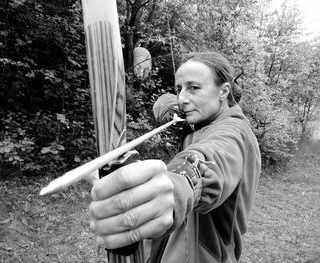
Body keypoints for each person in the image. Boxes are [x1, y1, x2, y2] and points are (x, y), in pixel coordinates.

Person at [89, 51, 261, 263]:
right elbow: (163, 102)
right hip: (169, 249)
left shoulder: (234, 132)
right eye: (179, 89)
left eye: (194, 88)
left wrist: (176, 184)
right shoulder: (198, 117)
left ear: (224, 91)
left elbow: (209, 159)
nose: (182, 98)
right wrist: (174, 115)